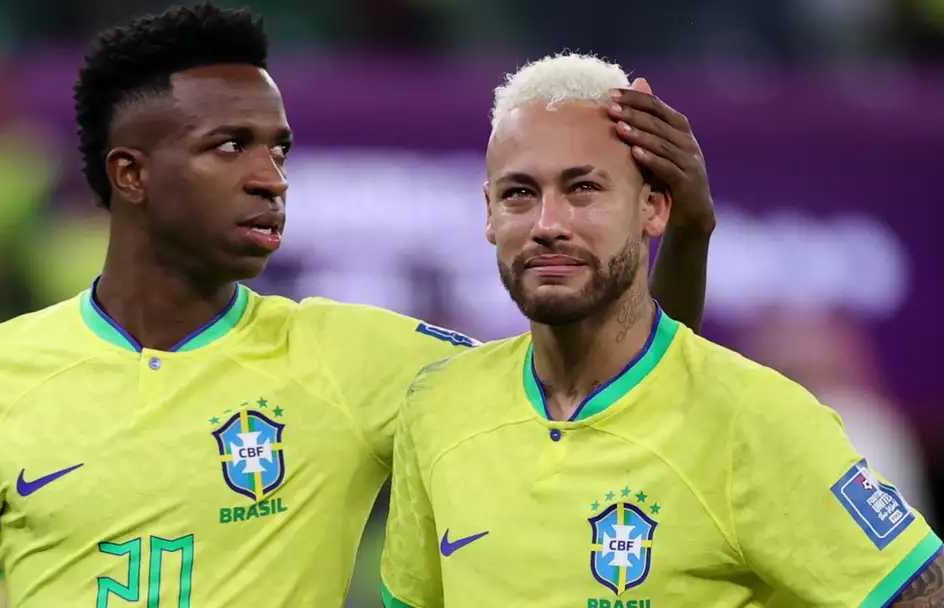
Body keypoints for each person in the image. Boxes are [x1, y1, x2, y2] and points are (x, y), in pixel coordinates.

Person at [0, 6, 714, 607]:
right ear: (131, 175)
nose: (270, 178)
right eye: (230, 146)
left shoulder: (356, 360)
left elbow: (620, 380)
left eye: (278, 149)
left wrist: (688, 233)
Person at [379, 53, 942, 607]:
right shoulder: (438, 407)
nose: (548, 224)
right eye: (519, 193)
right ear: (489, 213)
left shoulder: (755, 418)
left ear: (653, 208)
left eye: (583, 189)